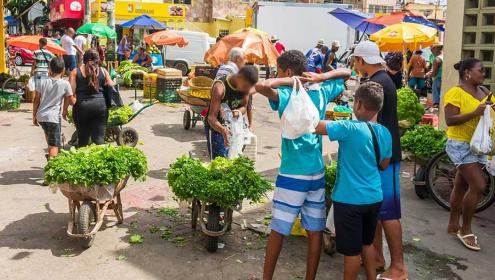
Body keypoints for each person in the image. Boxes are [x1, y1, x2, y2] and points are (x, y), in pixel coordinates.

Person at [255, 50, 350, 280]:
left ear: (287, 72)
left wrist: (289, 81)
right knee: (314, 229)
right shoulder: (321, 91)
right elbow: (347, 73)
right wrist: (319, 78)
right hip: (315, 171)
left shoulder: (288, 93)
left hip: (292, 173)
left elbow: (261, 85)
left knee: (278, 229)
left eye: (280, 70)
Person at [315, 81, 392, 280]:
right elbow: (384, 165)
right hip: (374, 198)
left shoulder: (348, 128)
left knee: (351, 252)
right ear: (379, 106)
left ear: (357, 104)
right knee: (367, 244)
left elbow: (316, 126)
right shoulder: (385, 133)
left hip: (349, 200)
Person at [352, 40, 407, 280]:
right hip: (380, 156)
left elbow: (372, 124)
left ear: (362, 61)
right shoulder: (383, 80)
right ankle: (376, 256)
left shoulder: (378, 83)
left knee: (388, 213)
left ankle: (398, 268)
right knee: (376, 210)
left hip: (386, 157)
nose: (355, 64)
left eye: (356, 60)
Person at [444, 58, 491, 251]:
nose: (484, 74)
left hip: (478, 145)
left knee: (462, 184)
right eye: (481, 70)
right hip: (460, 145)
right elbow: (450, 120)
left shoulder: (485, 91)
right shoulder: (456, 93)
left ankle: (453, 224)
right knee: (479, 185)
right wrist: (475, 112)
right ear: (467, 73)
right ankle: (466, 229)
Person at [206, 66, 258, 159]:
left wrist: (238, 112)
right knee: (219, 161)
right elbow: (211, 118)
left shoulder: (245, 87)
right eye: (245, 86)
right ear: (239, 78)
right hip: (216, 128)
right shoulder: (220, 87)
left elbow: (244, 106)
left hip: (234, 128)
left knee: (234, 159)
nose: (246, 90)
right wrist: (223, 131)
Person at [32, 58, 76, 159]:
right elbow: (72, 101)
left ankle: (53, 157)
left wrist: (34, 116)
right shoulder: (65, 84)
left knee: (50, 138)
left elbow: (36, 100)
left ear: (49, 69)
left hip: (41, 117)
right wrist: (76, 96)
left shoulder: (42, 82)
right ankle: (52, 167)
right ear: (63, 70)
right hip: (53, 118)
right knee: (54, 145)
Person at [69, 49, 114, 147]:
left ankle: (84, 159)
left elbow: (71, 93)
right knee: (99, 140)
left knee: (83, 141)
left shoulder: (75, 72)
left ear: (84, 59)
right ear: (98, 59)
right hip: (100, 107)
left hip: (82, 108)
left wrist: (73, 103)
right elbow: (111, 86)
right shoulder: (103, 71)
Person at [214, 48, 256, 130]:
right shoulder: (233, 70)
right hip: (226, 108)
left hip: (221, 106)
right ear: (237, 58)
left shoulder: (223, 67)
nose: (245, 62)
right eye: (244, 59)